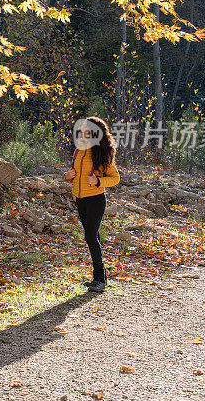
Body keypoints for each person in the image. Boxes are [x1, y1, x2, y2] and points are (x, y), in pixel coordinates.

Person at [63, 116, 120, 293]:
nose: (82, 132)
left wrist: (97, 181)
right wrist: (68, 177)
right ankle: (99, 277)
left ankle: (100, 280)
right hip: (80, 199)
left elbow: (115, 179)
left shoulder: (102, 153)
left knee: (90, 237)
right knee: (92, 237)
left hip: (96, 199)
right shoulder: (79, 150)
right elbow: (74, 177)